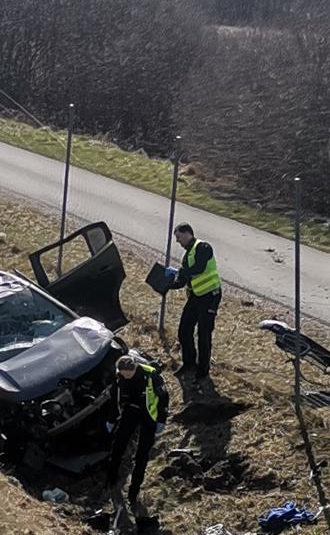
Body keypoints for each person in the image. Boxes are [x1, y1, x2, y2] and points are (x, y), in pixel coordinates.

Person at [103, 355, 168, 530]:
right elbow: (114, 399)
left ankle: (134, 490)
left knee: (142, 454)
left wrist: (161, 419)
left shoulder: (150, 375)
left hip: (149, 415)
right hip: (130, 411)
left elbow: (163, 397)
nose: (126, 377)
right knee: (118, 445)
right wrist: (111, 419)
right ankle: (111, 479)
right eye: (123, 374)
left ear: (134, 369)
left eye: (128, 374)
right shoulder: (119, 377)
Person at [172, 223, 222, 379]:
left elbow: (199, 268)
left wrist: (182, 271)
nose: (178, 242)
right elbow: (183, 280)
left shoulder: (203, 247)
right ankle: (189, 363)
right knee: (184, 329)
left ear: (187, 233)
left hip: (210, 296)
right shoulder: (187, 256)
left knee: (203, 334)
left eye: (179, 237)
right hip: (195, 296)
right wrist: (168, 284)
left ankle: (203, 370)